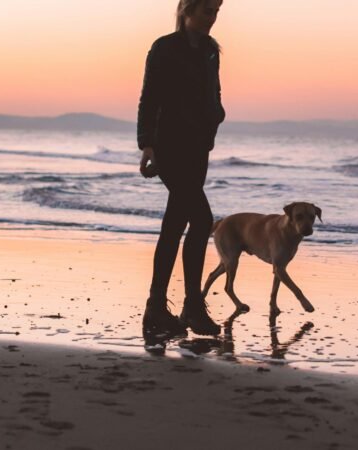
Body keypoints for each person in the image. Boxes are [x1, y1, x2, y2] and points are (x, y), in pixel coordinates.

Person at [138, 0, 225, 343]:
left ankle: (157, 307)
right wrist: (147, 143)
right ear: (187, 11)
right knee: (202, 219)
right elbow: (150, 97)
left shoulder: (210, 51)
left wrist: (214, 122)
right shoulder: (164, 48)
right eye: (207, 11)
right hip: (168, 145)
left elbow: (212, 94)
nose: (212, 18)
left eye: (217, 12)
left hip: (197, 147)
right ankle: (191, 304)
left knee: (175, 224)